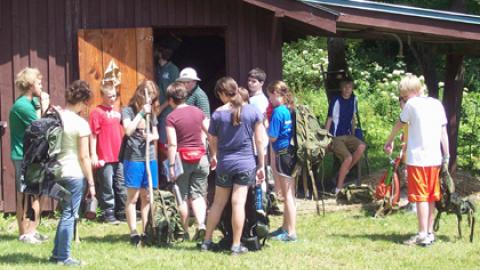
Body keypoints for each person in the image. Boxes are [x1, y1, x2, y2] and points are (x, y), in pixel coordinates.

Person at [201, 77, 265, 255]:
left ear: (222, 93)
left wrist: (214, 156)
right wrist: (261, 164)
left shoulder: (218, 114)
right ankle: (236, 245)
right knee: (238, 204)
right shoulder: (252, 111)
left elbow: (212, 138)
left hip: (225, 164)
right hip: (246, 164)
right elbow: (259, 140)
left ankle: (207, 241)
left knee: (217, 203)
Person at [384, 74, 449, 246]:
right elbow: (443, 133)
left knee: (420, 197)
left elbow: (400, 124)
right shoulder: (436, 103)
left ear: (412, 91)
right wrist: (447, 156)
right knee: (430, 197)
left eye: (404, 95)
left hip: (418, 159)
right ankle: (429, 232)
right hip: (435, 158)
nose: (403, 99)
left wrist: (389, 140)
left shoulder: (411, 104)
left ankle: (421, 235)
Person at [51, 80, 96, 266]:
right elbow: (85, 157)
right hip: (74, 174)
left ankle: (56, 254)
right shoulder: (80, 123)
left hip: (56, 172)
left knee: (65, 213)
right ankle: (64, 257)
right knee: (70, 214)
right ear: (83, 101)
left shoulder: (56, 117)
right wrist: (92, 184)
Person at [9, 67, 50, 244]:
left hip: (32, 155)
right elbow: (39, 128)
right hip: (22, 156)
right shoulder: (22, 106)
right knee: (24, 194)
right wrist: (45, 105)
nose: (41, 86)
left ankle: (32, 231)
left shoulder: (31, 103)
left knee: (35, 193)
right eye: (39, 83)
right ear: (31, 84)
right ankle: (23, 233)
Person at [165, 82, 210, 240]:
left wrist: (171, 165)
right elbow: (210, 133)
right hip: (201, 157)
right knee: (197, 194)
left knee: (181, 196)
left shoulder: (171, 117)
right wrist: (214, 154)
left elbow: (172, 143)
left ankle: (184, 232)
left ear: (171, 100)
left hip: (182, 159)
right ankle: (201, 225)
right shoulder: (198, 112)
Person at [121, 80, 160, 246]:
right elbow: (128, 130)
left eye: (152, 97)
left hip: (149, 158)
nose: (149, 100)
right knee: (133, 196)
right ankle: (133, 232)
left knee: (147, 195)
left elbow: (157, 134)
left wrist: (152, 136)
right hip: (134, 158)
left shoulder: (153, 113)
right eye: (147, 96)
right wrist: (141, 114)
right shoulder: (128, 111)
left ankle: (145, 229)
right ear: (139, 94)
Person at [89, 84, 127, 224]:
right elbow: (93, 134)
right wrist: (93, 154)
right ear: (102, 96)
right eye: (109, 96)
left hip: (119, 155)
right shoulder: (97, 112)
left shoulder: (117, 112)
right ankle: (108, 214)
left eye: (114, 96)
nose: (112, 99)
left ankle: (122, 212)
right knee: (107, 186)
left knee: (121, 185)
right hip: (105, 155)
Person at [266, 81, 298, 242]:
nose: (269, 100)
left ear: (277, 94)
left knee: (288, 196)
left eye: (270, 96)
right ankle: (285, 227)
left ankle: (291, 233)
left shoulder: (278, 112)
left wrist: (265, 127)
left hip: (282, 154)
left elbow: (272, 136)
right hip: (290, 153)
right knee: (289, 194)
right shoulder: (288, 109)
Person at [325, 79, 366, 194]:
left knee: (361, 146)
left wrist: (353, 134)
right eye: (345, 87)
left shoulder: (354, 99)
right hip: (336, 137)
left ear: (352, 88)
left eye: (349, 87)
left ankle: (344, 171)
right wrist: (325, 138)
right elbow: (329, 119)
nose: (347, 90)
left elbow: (353, 118)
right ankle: (338, 188)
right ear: (341, 88)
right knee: (348, 158)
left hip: (348, 135)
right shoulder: (336, 100)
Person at [155, 46, 180, 160]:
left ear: (160, 53)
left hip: (168, 112)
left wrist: (161, 108)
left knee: (166, 143)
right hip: (156, 112)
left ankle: (172, 172)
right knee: (158, 142)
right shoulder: (156, 68)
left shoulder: (173, 69)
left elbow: (175, 93)